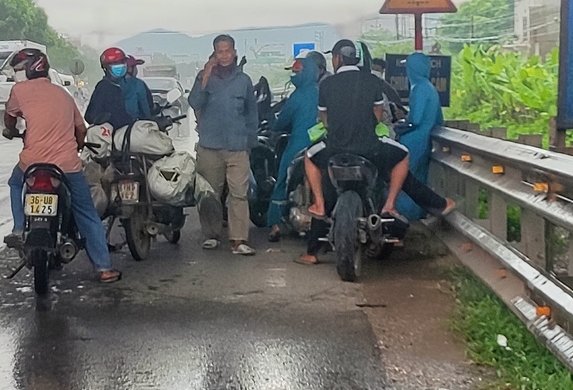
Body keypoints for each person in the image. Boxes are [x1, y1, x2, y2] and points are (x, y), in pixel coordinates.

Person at [297, 39, 451, 265]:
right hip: (370, 148)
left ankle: (319, 204)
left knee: (309, 158)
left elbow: (324, 118)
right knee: (402, 156)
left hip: (335, 149)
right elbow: (378, 113)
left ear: (338, 58)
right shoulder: (371, 81)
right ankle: (390, 205)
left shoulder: (327, 85)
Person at [2, 47, 121, 283]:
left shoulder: (18, 90)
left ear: (30, 69)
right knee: (86, 212)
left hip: (32, 163)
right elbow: (81, 129)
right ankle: (104, 268)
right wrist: (77, 145)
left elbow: (10, 115)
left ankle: (18, 229)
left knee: (16, 184)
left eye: (18, 70)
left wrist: (11, 130)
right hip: (67, 165)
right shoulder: (64, 95)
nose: (17, 74)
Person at [189, 33, 258, 255]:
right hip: (210, 146)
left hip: (237, 146)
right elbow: (194, 102)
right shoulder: (204, 77)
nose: (225, 55)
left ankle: (239, 240)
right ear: (214, 55)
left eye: (228, 51)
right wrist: (206, 75)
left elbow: (252, 113)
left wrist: (250, 141)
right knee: (210, 193)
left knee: (239, 193)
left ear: (234, 53)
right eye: (220, 51)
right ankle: (211, 234)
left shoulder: (243, 80)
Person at [263, 53, 323, 237]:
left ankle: (275, 225)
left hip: (299, 144)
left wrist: (271, 121)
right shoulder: (323, 92)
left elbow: (281, 123)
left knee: (282, 180)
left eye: (297, 71)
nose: (294, 75)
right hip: (322, 145)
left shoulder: (297, 96)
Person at [393, 51, 444, 221]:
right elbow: (439, 119)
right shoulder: (430, 88)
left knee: (405, 180)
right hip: (426, 139)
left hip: (413, 140)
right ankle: (417, 213)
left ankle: (403, 214)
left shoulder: (419, 88)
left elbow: (414, 120)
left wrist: (399, 128)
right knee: (420, 178)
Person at [84, 46, 154, 129]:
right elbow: (91, 116)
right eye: (115, 63)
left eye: (122, 62)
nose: (120, 66)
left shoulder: (117, 86)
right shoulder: (104, 88)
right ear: (106, 68)